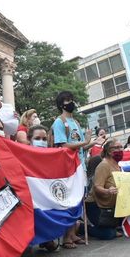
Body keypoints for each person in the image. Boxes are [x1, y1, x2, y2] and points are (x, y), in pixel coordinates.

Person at [51, 91, 92, 248]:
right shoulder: (59, 122)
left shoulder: (75, 122)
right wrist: (85, 142)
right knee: (71, 201)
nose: (72, 103)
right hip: (68, 168)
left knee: (80, 200)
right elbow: (64, 145)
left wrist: (91, 142)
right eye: (68, 100)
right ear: (62, 104)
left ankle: (73, 234)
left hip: (80, 165)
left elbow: (81, 146)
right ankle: (67, 237)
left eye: (72, 100)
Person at [91, 139, 123, 240]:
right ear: (109, 151)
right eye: (117, 148)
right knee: (108, 234)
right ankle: (82, 228)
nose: (120, 150)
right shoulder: (104, 165)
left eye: (121, 147)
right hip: (96, 205)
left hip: (111, 207)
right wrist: (108, 191)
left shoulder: (118, 166)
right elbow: (97, 187)